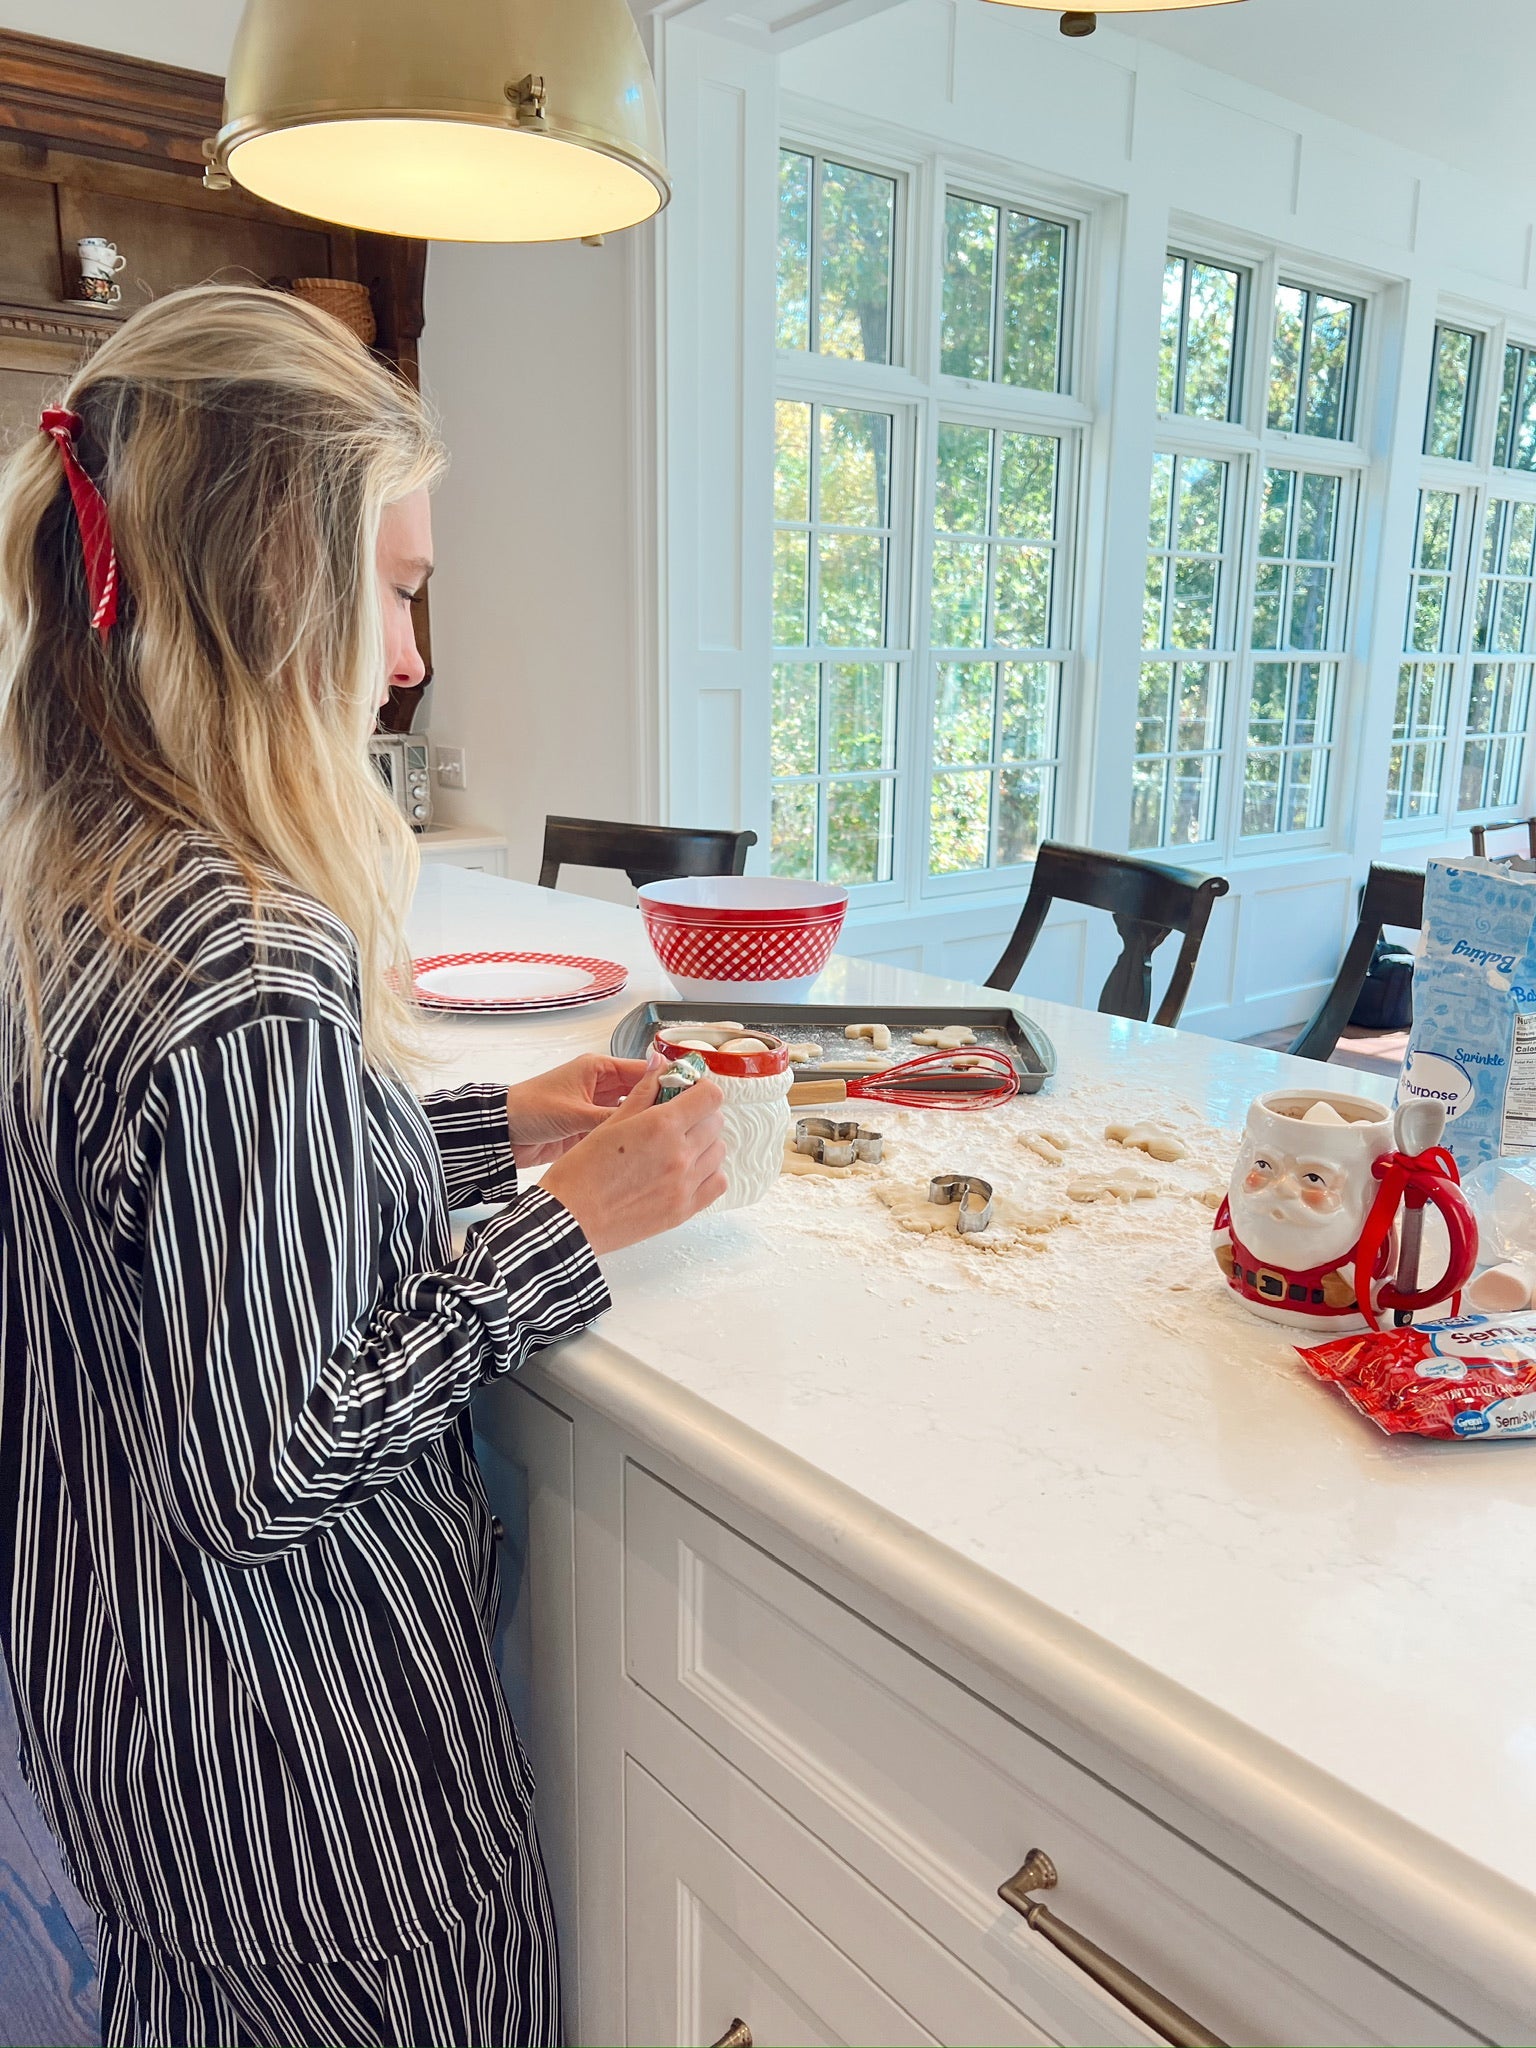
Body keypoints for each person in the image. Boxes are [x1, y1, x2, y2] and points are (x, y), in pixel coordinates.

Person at [0, 282, 726, 2048]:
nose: (410, 658)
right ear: (278, 582)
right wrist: (567, 1230)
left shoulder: (83, 864)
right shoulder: (242, 956)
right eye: (396, 590)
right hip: (312, 1780)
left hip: (129, 1707)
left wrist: (491, 1127)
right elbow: (269, 1459)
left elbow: (197, 1215)